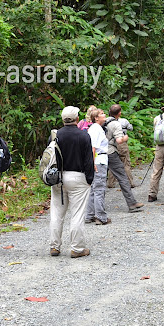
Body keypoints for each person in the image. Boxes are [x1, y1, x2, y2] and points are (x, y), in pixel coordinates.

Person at [49, 106, 94, 258]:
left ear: (62, 119)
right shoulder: (83, 136)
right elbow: (88, 160)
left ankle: (54, 247)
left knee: (56, 214)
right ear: (77, 119)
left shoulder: (56, 135)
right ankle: (77, 248)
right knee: (77, 214)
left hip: (58, 178)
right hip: (78, 178)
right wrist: (89, 179)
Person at [105, 104, 144, 212]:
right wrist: (125, 137)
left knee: (97, 181)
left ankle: (91, 212)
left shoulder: (103, 121)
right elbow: (119, 140)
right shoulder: (116, 123)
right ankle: (132, 203)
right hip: (111, 151)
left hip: (99, 153)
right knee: (122, 176)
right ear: (119, 113)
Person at [86, 109, 111, 225]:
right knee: (99, 188)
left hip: (98, 160)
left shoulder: (95, 128)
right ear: (96, 118)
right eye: (101, 114)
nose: (104, 115)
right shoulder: (96, 129)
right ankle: (100, 216)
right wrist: (93, 163)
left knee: (93, 189)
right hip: (99, 161)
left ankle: (89, 214)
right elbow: (93, 147)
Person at [106, 112, 136, 188]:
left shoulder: (106, 121)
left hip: (111, 145)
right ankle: (130, 183)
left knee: (113, 164)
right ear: (119, 113)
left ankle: (110, 183)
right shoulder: (124, 121)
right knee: (126, 163)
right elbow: (131, 128)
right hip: (122, 143)